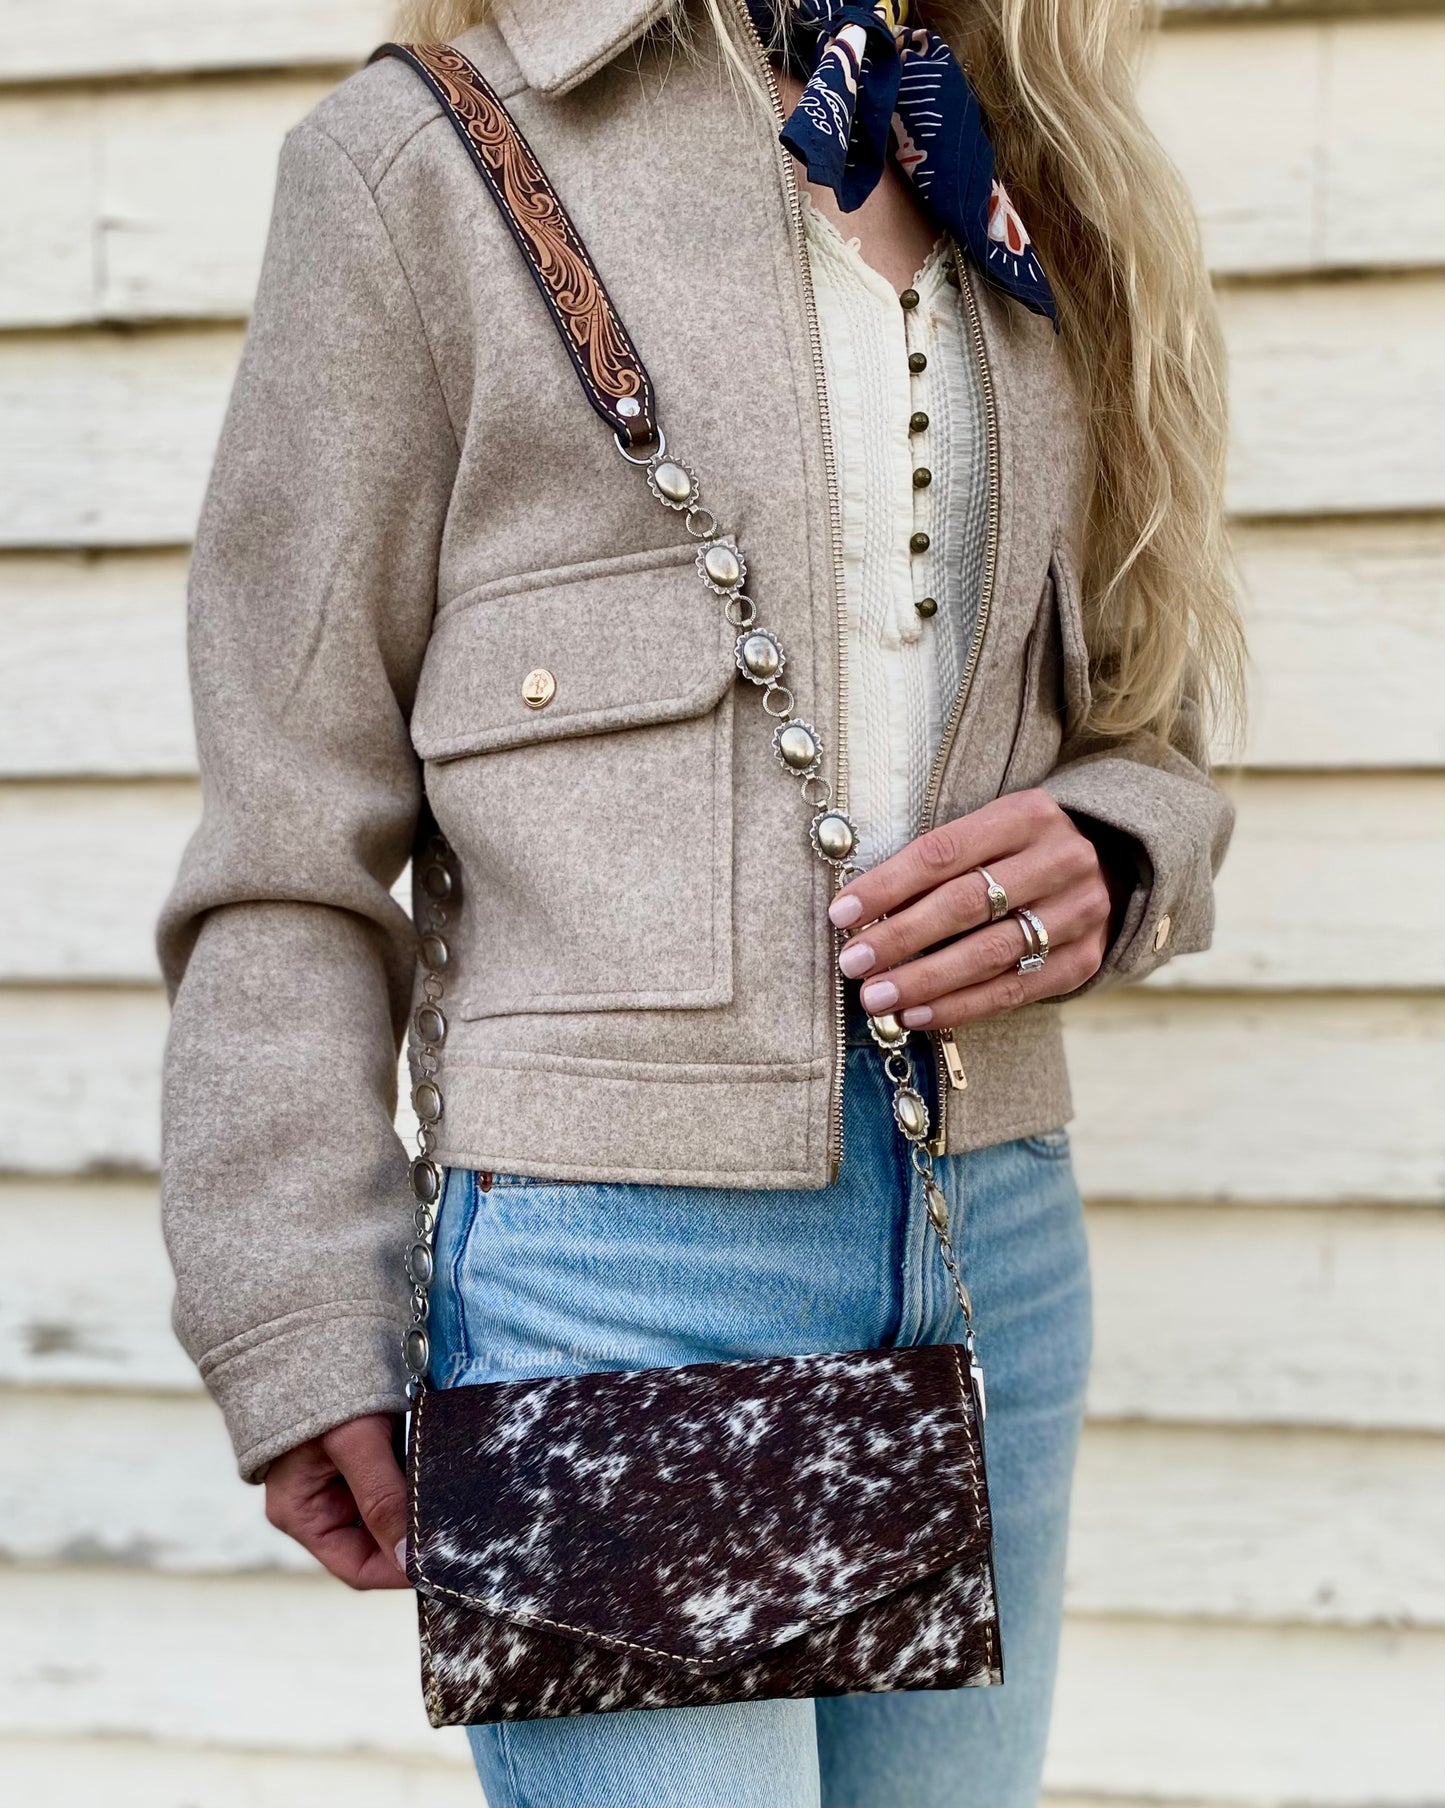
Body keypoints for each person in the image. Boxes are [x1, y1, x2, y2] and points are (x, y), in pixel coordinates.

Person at [157, 2, 1240, 1803]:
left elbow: (1145, 725)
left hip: (991, 1237)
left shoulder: (1017, 152)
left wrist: (1117, 854)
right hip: (623, 1263)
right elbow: (288, 829)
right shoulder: (420, 161)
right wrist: (291, 1301)